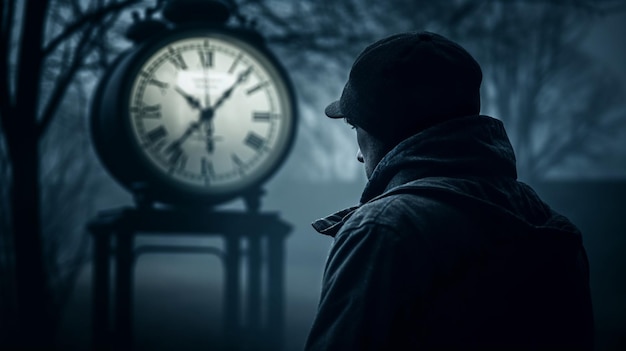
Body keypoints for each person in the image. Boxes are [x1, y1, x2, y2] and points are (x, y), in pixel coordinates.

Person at [304, 31, 594, 351]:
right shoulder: (550, 224)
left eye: (355, 127)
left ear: (384, 128)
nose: (359, 154)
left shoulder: (382, 231)